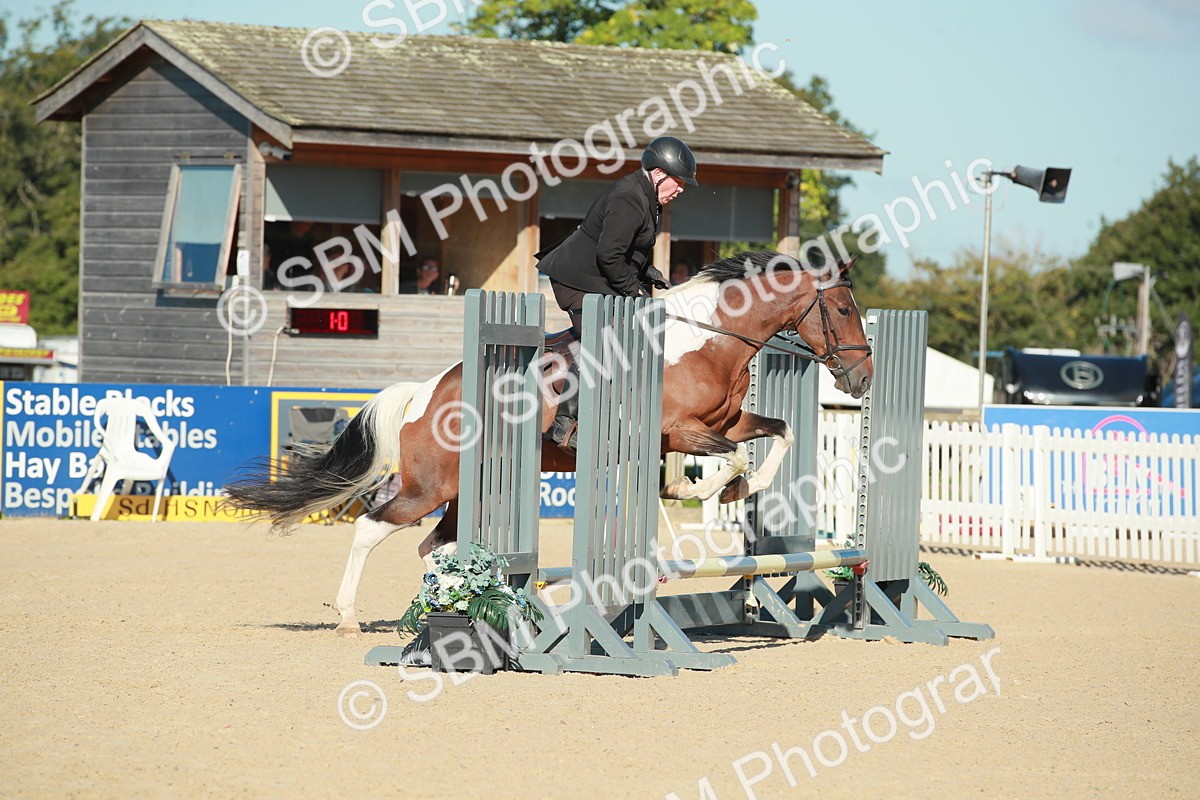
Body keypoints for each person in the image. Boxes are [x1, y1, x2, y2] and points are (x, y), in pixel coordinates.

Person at [535, 135, 699, 453]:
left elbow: (626, 250)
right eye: (678, 182)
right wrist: (635, 291)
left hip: (596, 277)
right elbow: (609, 256)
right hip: (576, 280)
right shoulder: (629, 198)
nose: (680, 189)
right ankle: (563, 424)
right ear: (659, 174)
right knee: (604, 346)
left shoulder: (648, 199)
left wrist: (647, 272)